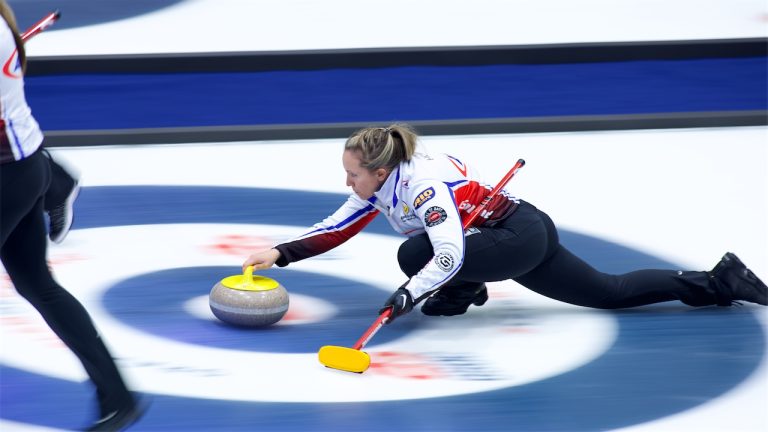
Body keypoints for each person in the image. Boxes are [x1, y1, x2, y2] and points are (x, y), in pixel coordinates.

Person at [243, 124, 767, 321]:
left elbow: (446, 253)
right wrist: (282, 253)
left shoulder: (424, 187)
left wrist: (410, 293)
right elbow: (339, 224)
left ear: (379, 170)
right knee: (609, 292)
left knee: (415, 256)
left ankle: (464, 290)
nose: (348, 183)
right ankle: (719, 282)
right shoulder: (381, 183)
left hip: (517, 236)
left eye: (352, 175)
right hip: (504, 235)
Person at [0, 2, 145, 430]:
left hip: (8, 176)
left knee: (40, 287)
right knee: (39, 286)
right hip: (24, 170)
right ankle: (118, 398)